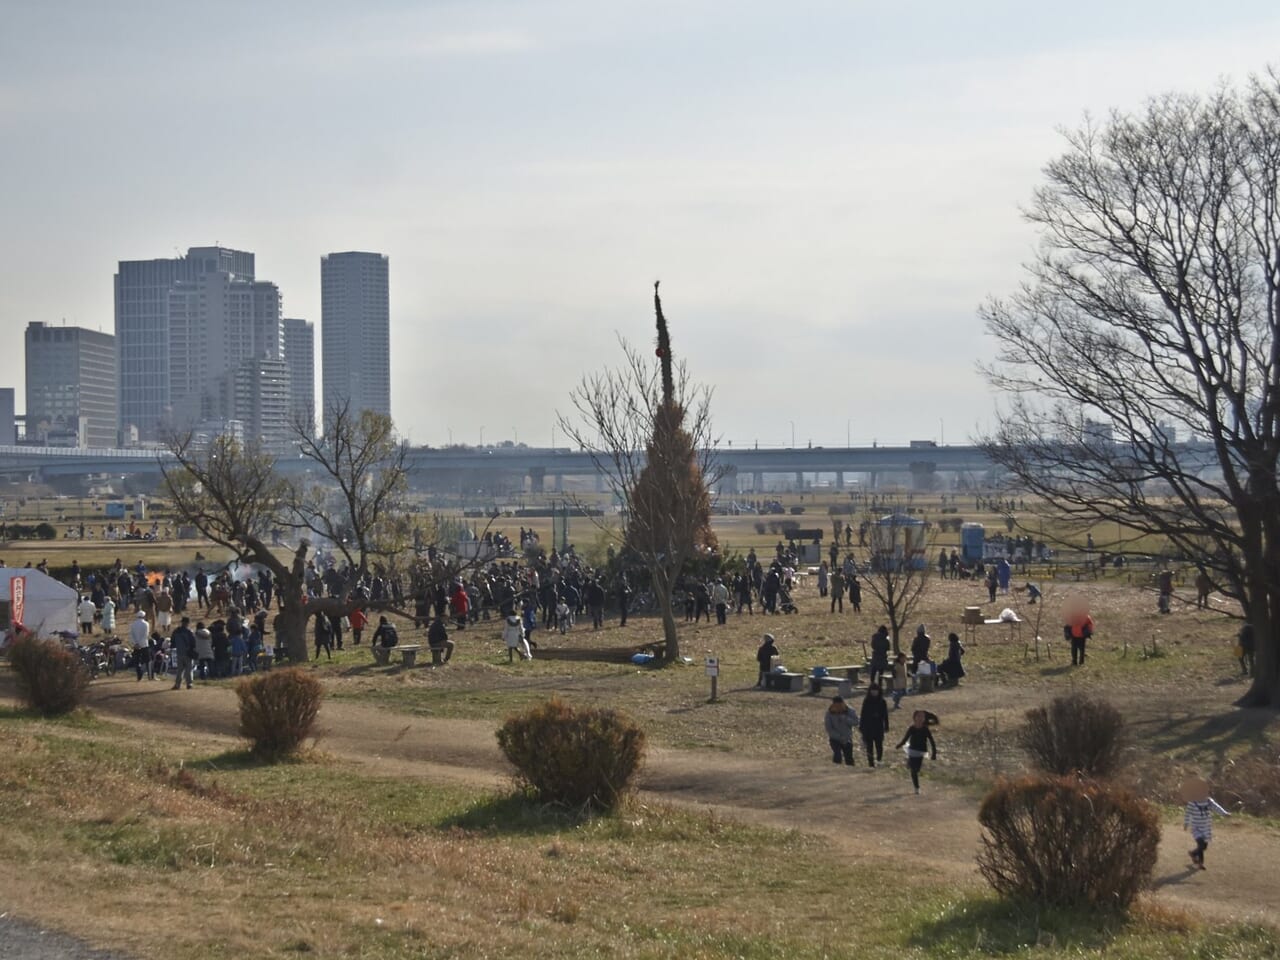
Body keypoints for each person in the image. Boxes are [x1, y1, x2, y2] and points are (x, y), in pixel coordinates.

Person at [895, 709, 938, 795]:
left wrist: (934, 754)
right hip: (912, 750)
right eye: (918, 716)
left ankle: (910, 764)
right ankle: (916, 788)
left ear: (924, 718)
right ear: (914, 718)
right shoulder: (911, 728)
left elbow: (932, 741)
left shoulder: (925, 729)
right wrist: (899, 745)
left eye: (922, 716)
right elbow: (905, 738)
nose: (920, 718)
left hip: (921, 752)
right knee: (913, 771)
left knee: (917, 769)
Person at [1184, 794, 1229, 870]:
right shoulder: (1192, 803)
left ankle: (1193, 853)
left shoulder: (1208, 801)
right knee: (1201, 844)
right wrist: (1186, 823)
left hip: (1206, 828)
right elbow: (1188, 813)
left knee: (1204, 847)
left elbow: (1216, 807)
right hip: (1196, 828)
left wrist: (1224, 813)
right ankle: (1200, 863)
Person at [858, 683, 890, 767]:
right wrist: (861, 726)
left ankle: (879, 760)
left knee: (879, 745)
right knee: (869, 746)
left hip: (878, 726)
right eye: (872, 691)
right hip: (868, 727)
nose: (874, 692)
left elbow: (885, 715)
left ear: (879, 691)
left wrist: (886, 725)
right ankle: (871, 763)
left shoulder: (882, 701)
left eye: (876, 691)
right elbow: (863, 714)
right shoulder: (866, 701)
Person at [824, 696, 857, 766]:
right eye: (836, 705)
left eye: (840, 705)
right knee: (837, 756)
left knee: (849, 758)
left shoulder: (850, 711)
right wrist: (839, 737)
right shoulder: (829, 713)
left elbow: (856, 722)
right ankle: (835, 772)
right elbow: (829, 728)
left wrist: (845, 718)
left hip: (847, 739)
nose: (838, 707)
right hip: (835, 739)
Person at [170, 617, 197, 689]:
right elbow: (193, 643)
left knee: (179, 670)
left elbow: (172, 642)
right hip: (188, 652)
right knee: (189, 669)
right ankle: (189, 684)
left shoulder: (176, 631)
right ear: (188, 623)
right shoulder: (189, 632)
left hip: (179, 652)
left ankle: (177, 684)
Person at [129, 610, 152, 681]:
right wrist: (140, 643)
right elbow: (145, 635)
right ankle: (149, 675)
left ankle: (139, 675)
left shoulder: (133, 624)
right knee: (147, 660)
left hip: (136, 645)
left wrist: (135, 643)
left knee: (137, 660)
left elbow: (131, 635)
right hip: (144, 644)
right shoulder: (146, 624)